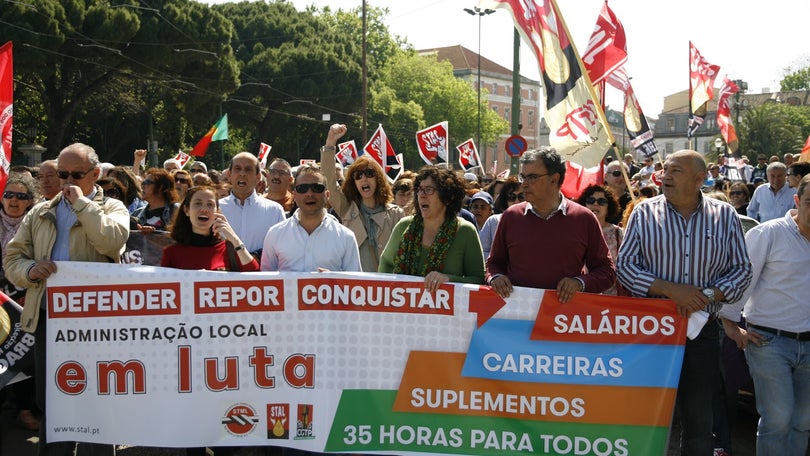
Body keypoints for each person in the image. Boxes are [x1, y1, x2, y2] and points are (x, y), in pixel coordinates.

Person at [616, 149, 752, 455]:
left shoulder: (725, 215)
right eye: (665, 169)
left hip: (703, 332)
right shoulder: (643, 212)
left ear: (700, 178)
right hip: (651, 328)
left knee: (699, 419)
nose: (665, 176)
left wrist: (706, 296)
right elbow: (625, 267)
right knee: (644, 414)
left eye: (675, 170)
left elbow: (742, 269)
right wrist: (669, 290)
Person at [4, 142, 129, 456]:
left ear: (96, 174)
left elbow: (112, 242)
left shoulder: (112, 208)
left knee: (97, 398)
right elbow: (13, 259)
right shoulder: (40, 211)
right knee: (54, 400)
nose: (68, 181)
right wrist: (31, 270)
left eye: (77, 174)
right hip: (50, 319)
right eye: (62, 174)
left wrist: (84, 206)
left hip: (96, 322)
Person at [719, 174, 810, 456]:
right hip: (768, 342)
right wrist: (730, 324)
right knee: (778, 419)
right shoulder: (769, 233)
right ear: (797, 201)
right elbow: (742, 280)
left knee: (804, 422)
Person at [486, 147, 615, 302]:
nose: (524, 184)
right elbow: (493, 264)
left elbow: (606, 272)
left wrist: (579, 283)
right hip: (518, 315)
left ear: (554, 179)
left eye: (532, 177)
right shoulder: (511, 216)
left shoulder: (584, 218)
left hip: (564, 319)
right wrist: (496, 277)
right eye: (523, 177)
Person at [379, 166, 485, 289]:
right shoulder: (403, 226)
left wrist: (449, 279)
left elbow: (478, 280)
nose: (422, 195)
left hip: (448, 307)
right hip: (404, 304)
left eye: (429, 190)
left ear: (448, 197)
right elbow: (386, 263)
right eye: (419, 189)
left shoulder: (465, 231)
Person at [321, 124, 404, 272]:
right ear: (354, 182)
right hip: (357, 289)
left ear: (378, 179)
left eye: (369, 174)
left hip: (388, 288)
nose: (364, 179)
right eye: (358, 176)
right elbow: (328, 181)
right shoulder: (347, 209)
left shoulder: (396, 214)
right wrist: (330, 144)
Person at [261, 164, 360, 272]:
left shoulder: (346, 237)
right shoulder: (275, 234)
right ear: (294, 195)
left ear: (327, 195)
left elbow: (355, 284)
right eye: (302, 188)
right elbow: (265, 282)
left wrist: (335, 280)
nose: (309, 194)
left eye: (317, 188)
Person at [0, 174, 41, 432]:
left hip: (23, 298)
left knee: (25, 352)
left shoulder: (35, 224)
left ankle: (25, 408)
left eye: (22, 196)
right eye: (9, 194)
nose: (14, 200)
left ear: (30, 202)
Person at [162, 186, 258, 272]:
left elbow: (254, 274)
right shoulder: (171, 252)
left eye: (210, 205)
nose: (204, 209)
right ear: (186, 210)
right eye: (198, 203)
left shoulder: (229, 249)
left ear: (218, 211)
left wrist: (234, 239)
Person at [219, 152, 285, 258]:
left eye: (248, 169)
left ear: (258, 177)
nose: (242, 174)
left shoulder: (274, 211)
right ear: (229, 175)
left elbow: (281, 249)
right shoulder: (216, 209)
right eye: (237, 168)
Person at [576, 185, 623, 296]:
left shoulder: (619, 233)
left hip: (612, 300)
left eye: (602, 201)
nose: (595, 204)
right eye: (591, 200)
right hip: (581, 298)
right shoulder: (574, 232)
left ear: (609, 207)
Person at [479, 179, 523, 259]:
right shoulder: (494, 221)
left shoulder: (535, 222)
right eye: (511, 197)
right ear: (505, 199)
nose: (517, 201)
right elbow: (481, 251)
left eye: (521, 197)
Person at [132, 168, 179, 233]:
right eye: (143, 182)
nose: (142, 186)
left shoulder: (176, 210)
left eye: (147, 182)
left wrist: (155, 234)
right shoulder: (137, 213)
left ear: (161, 187)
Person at [604, 160, 632, 224]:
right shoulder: (597, 200)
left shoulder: (633, 202)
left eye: (625, 174)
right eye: (616, 174)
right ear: (606, 176)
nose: (621, 178)